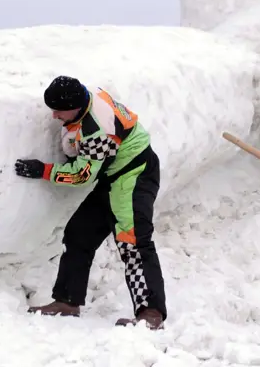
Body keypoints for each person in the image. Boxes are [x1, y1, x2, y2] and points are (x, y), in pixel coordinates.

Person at [14, 75, 167, 330]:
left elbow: (81, 174)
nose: (54, 116)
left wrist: (44, 170)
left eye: (58, 111)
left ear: (75, 105)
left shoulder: (98, 130)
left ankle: (151, 313)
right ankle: (67, 301)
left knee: (133, 239)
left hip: (134, 174)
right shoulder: (87, 97)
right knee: (79, 233)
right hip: (113, 173)